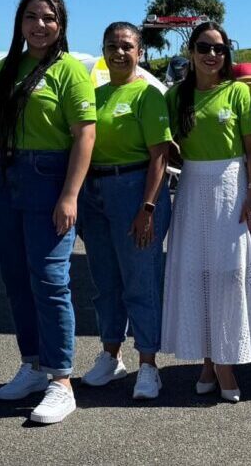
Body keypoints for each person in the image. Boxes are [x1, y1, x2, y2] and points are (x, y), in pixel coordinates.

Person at [0, 0, 95, 424]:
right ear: (19, 22)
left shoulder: (70, 71)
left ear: (60, 24)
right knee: (15, 277)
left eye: (48, 18)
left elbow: (85, 134)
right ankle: (32, 362)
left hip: (49, 179)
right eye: (31, 17)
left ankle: (61, 379)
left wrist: (69, 195)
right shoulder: (8, 69)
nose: (39, 25)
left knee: (49, 278)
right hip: (6, 177)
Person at [161, 21, 251, 403]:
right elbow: (165, 145)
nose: (211, 55)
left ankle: (225, 360)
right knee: (198, 273)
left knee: (229, 274)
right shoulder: (176, 97)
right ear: (191, 51)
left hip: (231, 186)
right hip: (192, 189)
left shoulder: (238, 91)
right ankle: (209, 360)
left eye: (219, 49)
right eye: (204, 47)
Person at [73, 22, 171, 400]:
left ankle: (148, 364)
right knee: (106, 282)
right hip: (95, 193)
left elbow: (159, 155)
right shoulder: (94, 95)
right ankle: (111, 356)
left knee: (140, 282)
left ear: (140, 51)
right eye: (111, 46)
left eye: (127, 46)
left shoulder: (148, 95)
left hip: (135, 191)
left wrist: (147, 207)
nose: (119, 52)